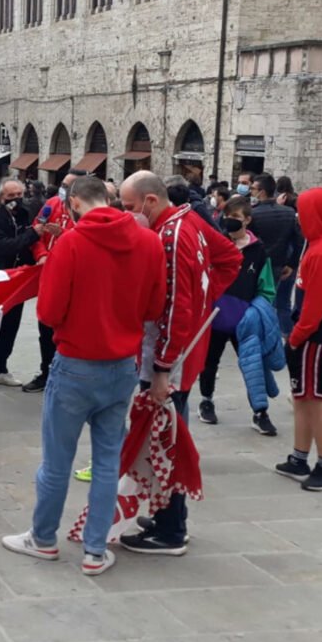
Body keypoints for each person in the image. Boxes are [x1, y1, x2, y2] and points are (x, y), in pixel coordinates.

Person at [2, 176, 166, 576]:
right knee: (108, 461)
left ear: (75, 202)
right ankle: (95, 550)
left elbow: (49, 312)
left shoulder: (72, 243)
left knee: (57, 461)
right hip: (121, 366)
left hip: (75, 363)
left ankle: (43, 539)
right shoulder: (150, 243)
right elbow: (154, 307)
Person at [119, 171, 241, 555]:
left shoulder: (171, 235)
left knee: (164, 440)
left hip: (169, 358)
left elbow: (175, 308)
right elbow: (229, 257)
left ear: (151, 201)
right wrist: (206, 299)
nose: (127, 214)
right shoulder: (190, 222)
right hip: (182, 351)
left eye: (129, 207)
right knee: (166, 436)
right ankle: (166, 517)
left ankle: (171, 529)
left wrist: (161, 369)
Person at [275, 187, 322, 491]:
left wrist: (294, 339)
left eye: (303, 213)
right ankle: (299, 457)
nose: (299, 218)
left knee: (314, 400)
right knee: (303, 397)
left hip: (319, 335)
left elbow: (313, 310)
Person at [197, 196, 279, 435]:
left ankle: (260, 411)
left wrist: (256, 311)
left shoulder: (259, 251)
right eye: (228, 217)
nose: (230, 222)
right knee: (209, 360)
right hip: (215, 316)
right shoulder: (217, 245)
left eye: (236, 218)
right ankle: (206, 400)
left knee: (252, 365)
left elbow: (267, 287)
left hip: (244, 318)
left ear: (248, 220)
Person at [0, 180, 56, 392]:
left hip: (17, 279)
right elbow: (3, 247)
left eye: (20, 193)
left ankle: (0, 368)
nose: (17, 199)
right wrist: (32, 234)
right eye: (12, 195)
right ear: (2, 198)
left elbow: (29, 242)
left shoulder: (23, 215)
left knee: (11, 326)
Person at [22, 170, 86, 394]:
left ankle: (69, 374)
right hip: (48, 272)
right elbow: (35, 232)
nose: (64, 189)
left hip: (74, 277)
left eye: (69, 186)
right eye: (63, 184)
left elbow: (88, 239)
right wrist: (40, 254)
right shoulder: (51, 204)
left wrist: (65, 233)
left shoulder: (86, 209)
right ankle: (46, 371)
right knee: (45, 327)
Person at [250, 173, 301, 336]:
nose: (250, 191)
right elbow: (299, 241)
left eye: (253, 188)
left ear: (262, 191)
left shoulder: (253, 214)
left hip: (258, 266)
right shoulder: (288, 213)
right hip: (280, 264)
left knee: (258, 301)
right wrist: (292, 264)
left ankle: (261, 332)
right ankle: (279, 333)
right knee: (277, 302)